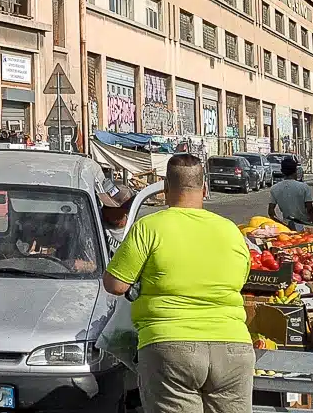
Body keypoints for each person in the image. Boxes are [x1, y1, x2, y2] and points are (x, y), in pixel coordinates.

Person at [104, 154, 253, 413]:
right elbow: (240, 281)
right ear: (204, 189)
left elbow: (116, 284)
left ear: (164, 189)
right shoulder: (231, 231)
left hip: (170, 347)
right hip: (233, 348)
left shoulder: (149, 228)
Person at [268, 158, 313, 231]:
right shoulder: (304, 187)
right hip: (305, 226)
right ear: (295, 171)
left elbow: (271, 212)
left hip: (288, 227)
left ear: (282, 171)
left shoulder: (274, 188)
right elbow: (310, 210)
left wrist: (281, 224)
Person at [98, 179, 136, 253]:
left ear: (125, 211)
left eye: (109, 207)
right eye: (105, 204)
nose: (104, 209)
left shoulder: (132, 233)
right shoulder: (95, 220)